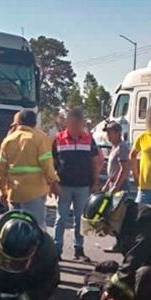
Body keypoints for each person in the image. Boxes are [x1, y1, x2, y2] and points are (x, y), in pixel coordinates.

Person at [52, 109, 103, 260]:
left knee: (80, 219)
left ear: (82, 124)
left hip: (83, 186)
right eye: (72, 123)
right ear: (67, 123)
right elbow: (51, 164)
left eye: (78, 124)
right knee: (61, 218)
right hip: (64, 186)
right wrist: (52, 184)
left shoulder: (88, 139)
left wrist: (95, 182)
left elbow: (95, 162)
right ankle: (57, 249)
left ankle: (79, 249)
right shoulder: (58, 139)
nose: (76, 126)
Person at [0, 109, 60, 229]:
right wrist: (54, 183)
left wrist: (2, 190)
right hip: (34, 193)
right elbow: (47, 165)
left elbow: (1, 169)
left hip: (14, 193)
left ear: (18, 122)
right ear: (35, 124)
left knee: (13, 228)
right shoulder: (40, 139)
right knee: (36, 228)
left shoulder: (8, 140)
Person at [102, 121, 131, 195]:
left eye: (110, 132)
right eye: (107, 133)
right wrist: (107, 185)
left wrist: (116, 187)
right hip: (112, 184)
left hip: (121, 185)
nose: (108, 135)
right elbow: (114, 172)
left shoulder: (122, 147)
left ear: (117, 133)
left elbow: (124, 169)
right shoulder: (114, 147)